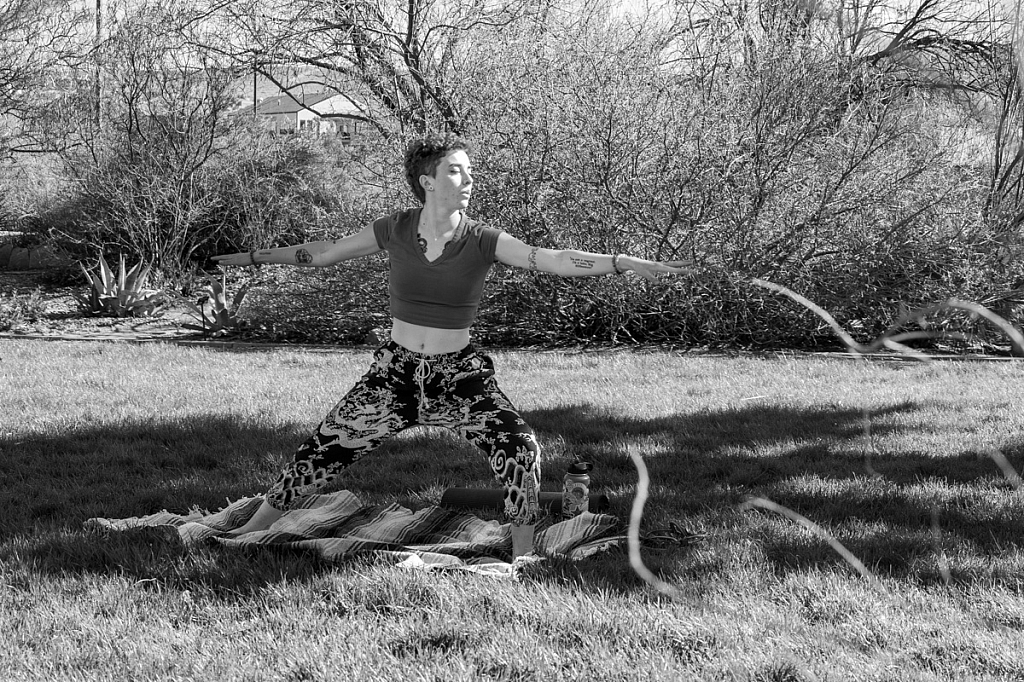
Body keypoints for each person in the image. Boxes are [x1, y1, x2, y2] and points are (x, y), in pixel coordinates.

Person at [212, 133, 691, 557]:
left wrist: (621, 261)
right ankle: (249, 532)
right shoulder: (394, 229)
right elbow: (320, 254)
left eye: (469, 172)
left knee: (521, 449)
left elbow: (553, 260)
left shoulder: (482, 239)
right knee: (320, 452)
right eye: (457, 171)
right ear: (427, 181)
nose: (468, 180)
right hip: (393, 375)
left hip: (458, 377)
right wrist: (250, 256)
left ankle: (522, 556)